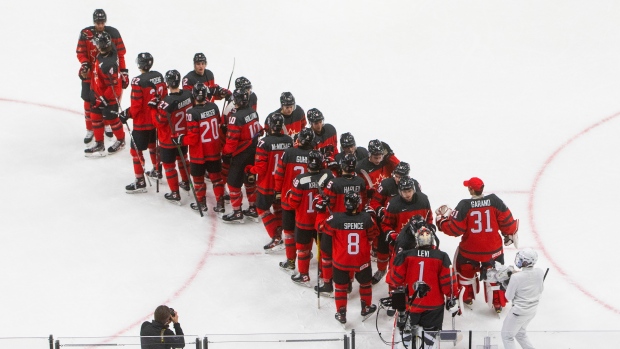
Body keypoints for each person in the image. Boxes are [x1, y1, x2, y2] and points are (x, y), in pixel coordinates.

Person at [436, 177, 519, 313]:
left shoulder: (464, 205)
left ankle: (467, 297)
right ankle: (497, 303)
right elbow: (508, 223)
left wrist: (441, 221)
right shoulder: (495, 201)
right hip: (493, 250)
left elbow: (454, 229)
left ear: (470, 189)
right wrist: (508, 233)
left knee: (465, 272)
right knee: (496, 274)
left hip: (470, 250)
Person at [388, 226, 460, 349]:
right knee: (429, 338)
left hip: (410, 305)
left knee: (406, 338)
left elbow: (394, 280)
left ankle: (407, 339)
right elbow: (448, 283)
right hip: (434, 306)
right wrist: (452, 298)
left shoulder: (406, 255)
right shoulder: (441, 256)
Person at [320, 192, 380, 324]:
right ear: (358, 204)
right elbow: (373, 235)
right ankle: (366, 307)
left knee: (340, 287)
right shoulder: (366, 218)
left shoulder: (334, 219)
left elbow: (325, 239)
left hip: (341, 260)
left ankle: (341, 313)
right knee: (365, 284)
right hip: (361, 260)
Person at [314, 153, 368, 295]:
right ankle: (348, 283)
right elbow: (364, 202)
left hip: (335, 224)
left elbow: (326, 202)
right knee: (348, 255)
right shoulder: (360, 182)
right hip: (355, 224)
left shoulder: (334, 183)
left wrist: (319, 203)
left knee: (326, 253)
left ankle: (327, 283)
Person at [76, 9, 127, 144]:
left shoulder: (113, 33)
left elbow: (120, 54)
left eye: (102, 22)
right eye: (98, 22)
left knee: (108, 103)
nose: (100, 25)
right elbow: (81, 53)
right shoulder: (86, 34)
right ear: (94, 22)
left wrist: (124, 72)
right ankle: (90, 129)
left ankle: (107, 124)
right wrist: (85, 65)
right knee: (89, 102)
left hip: (107, 76)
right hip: (92, 77)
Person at [173, 83, 225, 213]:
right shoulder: (214, 107)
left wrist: (181, 139)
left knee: (198, 179)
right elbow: (218, 123)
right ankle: (220, 203)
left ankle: (201, 203)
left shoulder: (192, 112)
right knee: (217, 179)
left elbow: (193, 138)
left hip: (199, 153)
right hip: (214, 150)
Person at [245, 113, 294, 251]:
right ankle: (284, 236)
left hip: (267, 184)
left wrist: (250, 169)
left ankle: (276, 236)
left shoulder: (264, 142)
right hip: (283, 184)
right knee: (278, 208)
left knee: (262, 208)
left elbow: (261, 168)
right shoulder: (289, 141)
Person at [120, 52, 167, 193]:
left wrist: (127, 114)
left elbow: (136, 106)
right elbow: (163, 97)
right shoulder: (159, 76)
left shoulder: (137, 81)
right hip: (155, 120)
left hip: (141, 123)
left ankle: (140, 181)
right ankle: (157, 170)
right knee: (153, 146)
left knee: (135, 151)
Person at [376, 176, 433, 285]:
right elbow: (385, 224)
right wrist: (392, 235)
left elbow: (429, 217)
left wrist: (430, 227)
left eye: (410, 191)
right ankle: (394, 294)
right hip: (400, 243)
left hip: (420, 243)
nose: (408, 194)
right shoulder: (393, 204)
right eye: (404, 191)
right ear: (399, 191)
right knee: (396, 270)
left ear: (414, 189)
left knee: (419, 271)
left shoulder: (423, 200)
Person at [287, 150, 333, 287]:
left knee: (303, 249)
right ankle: (323, 275)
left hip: (304, 221)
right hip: (322, 220)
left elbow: (293, 203)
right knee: (324, 250)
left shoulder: (300, 179)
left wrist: (289, 195)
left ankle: (304, 275)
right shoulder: (328, 175)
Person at [274, 128, 315, 274]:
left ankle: (291, 261)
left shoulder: (289, 152)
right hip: (307, 203)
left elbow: (279, 174)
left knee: (289, 232)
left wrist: (278, 191)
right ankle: (306, 256)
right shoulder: (315, 155)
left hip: (289, 198)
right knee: (308, 232)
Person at [221, 89, 262, 223]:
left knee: (233, 183)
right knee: (250, 181)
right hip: (254, 152)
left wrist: (225, 152)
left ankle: (237, 212)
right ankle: (253, 208)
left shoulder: (235, 117)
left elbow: (232, 142)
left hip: (241, 155)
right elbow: (260, 130)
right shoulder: (253, 112)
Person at [84, 31, 126, 157]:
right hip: (98, 93)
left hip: (109, 97)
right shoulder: (109, 49)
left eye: (97, 43)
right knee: (95, 117)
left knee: (112, 119)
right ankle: (99, 143)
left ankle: (120, 140)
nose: (95, 45)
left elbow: (113, 86)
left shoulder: (108, 64)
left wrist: (103, 99)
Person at [154, 70, 193, 204]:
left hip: (168, 139)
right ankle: (186, 182)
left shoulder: (166, 102)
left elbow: (159, 122)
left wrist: (153, 108)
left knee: (169, 166)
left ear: (167, 83)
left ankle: (175, 193)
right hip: (182, 136)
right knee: (183, 160)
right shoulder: (188, 95)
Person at [501, 248, 545, 349]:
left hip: (518, 312)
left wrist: (506, 285)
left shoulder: (516, 278)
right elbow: (540, 289)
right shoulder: (540, 272)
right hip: (532, 311)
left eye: (521, 259)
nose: (519, 260)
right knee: (520, 334)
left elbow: (508, 297)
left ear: (525, 261)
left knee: (507, 336)